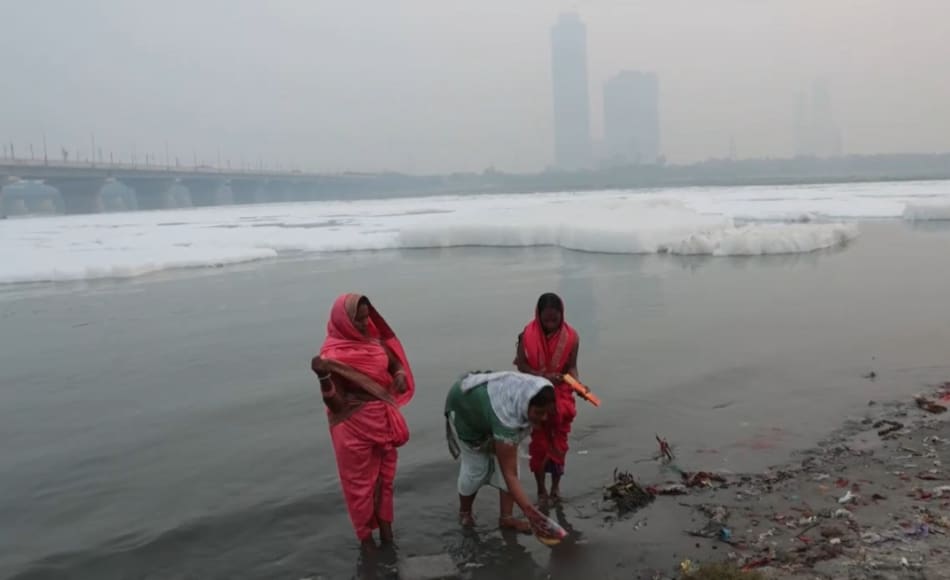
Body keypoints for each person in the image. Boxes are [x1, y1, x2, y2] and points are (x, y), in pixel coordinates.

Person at [311, 293, 414, 549]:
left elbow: (393, 363)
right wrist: (324, 379)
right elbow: (338, 405)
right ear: (343, 322)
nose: (364, 324)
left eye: (366, 318)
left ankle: (387, 537)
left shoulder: (373, 341)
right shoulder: (333, 355)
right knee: (359, 489)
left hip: (383, 422)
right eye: (358, 320)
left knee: (385, 481)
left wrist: (399, 375)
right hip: (353, 428)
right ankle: (366, 543)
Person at [444, 370, 556, 533]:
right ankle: (465, 513)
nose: (544, 418)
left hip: (491, 405)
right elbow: (508, 474)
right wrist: (532, 514)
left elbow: (510, 471)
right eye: (539, 413)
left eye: (547, 412)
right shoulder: (507, 416)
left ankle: (506, 519)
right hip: (465, 409)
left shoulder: (536, 390)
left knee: (511, 465)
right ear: (526, 405)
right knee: (476, 469)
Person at [514, 293, 580, 503]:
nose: (551, 324)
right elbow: (522, 366)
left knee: (559, 444)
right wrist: (542, 376)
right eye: (547, 319)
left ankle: (556, 488)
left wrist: (577, 384)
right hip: (536, 394)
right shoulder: (527, 335)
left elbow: (571, 367)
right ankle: (541, 489)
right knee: (540, 446)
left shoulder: (572, 337)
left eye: (555, 319)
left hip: (560, 395)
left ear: (562, 315)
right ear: (538, 315)